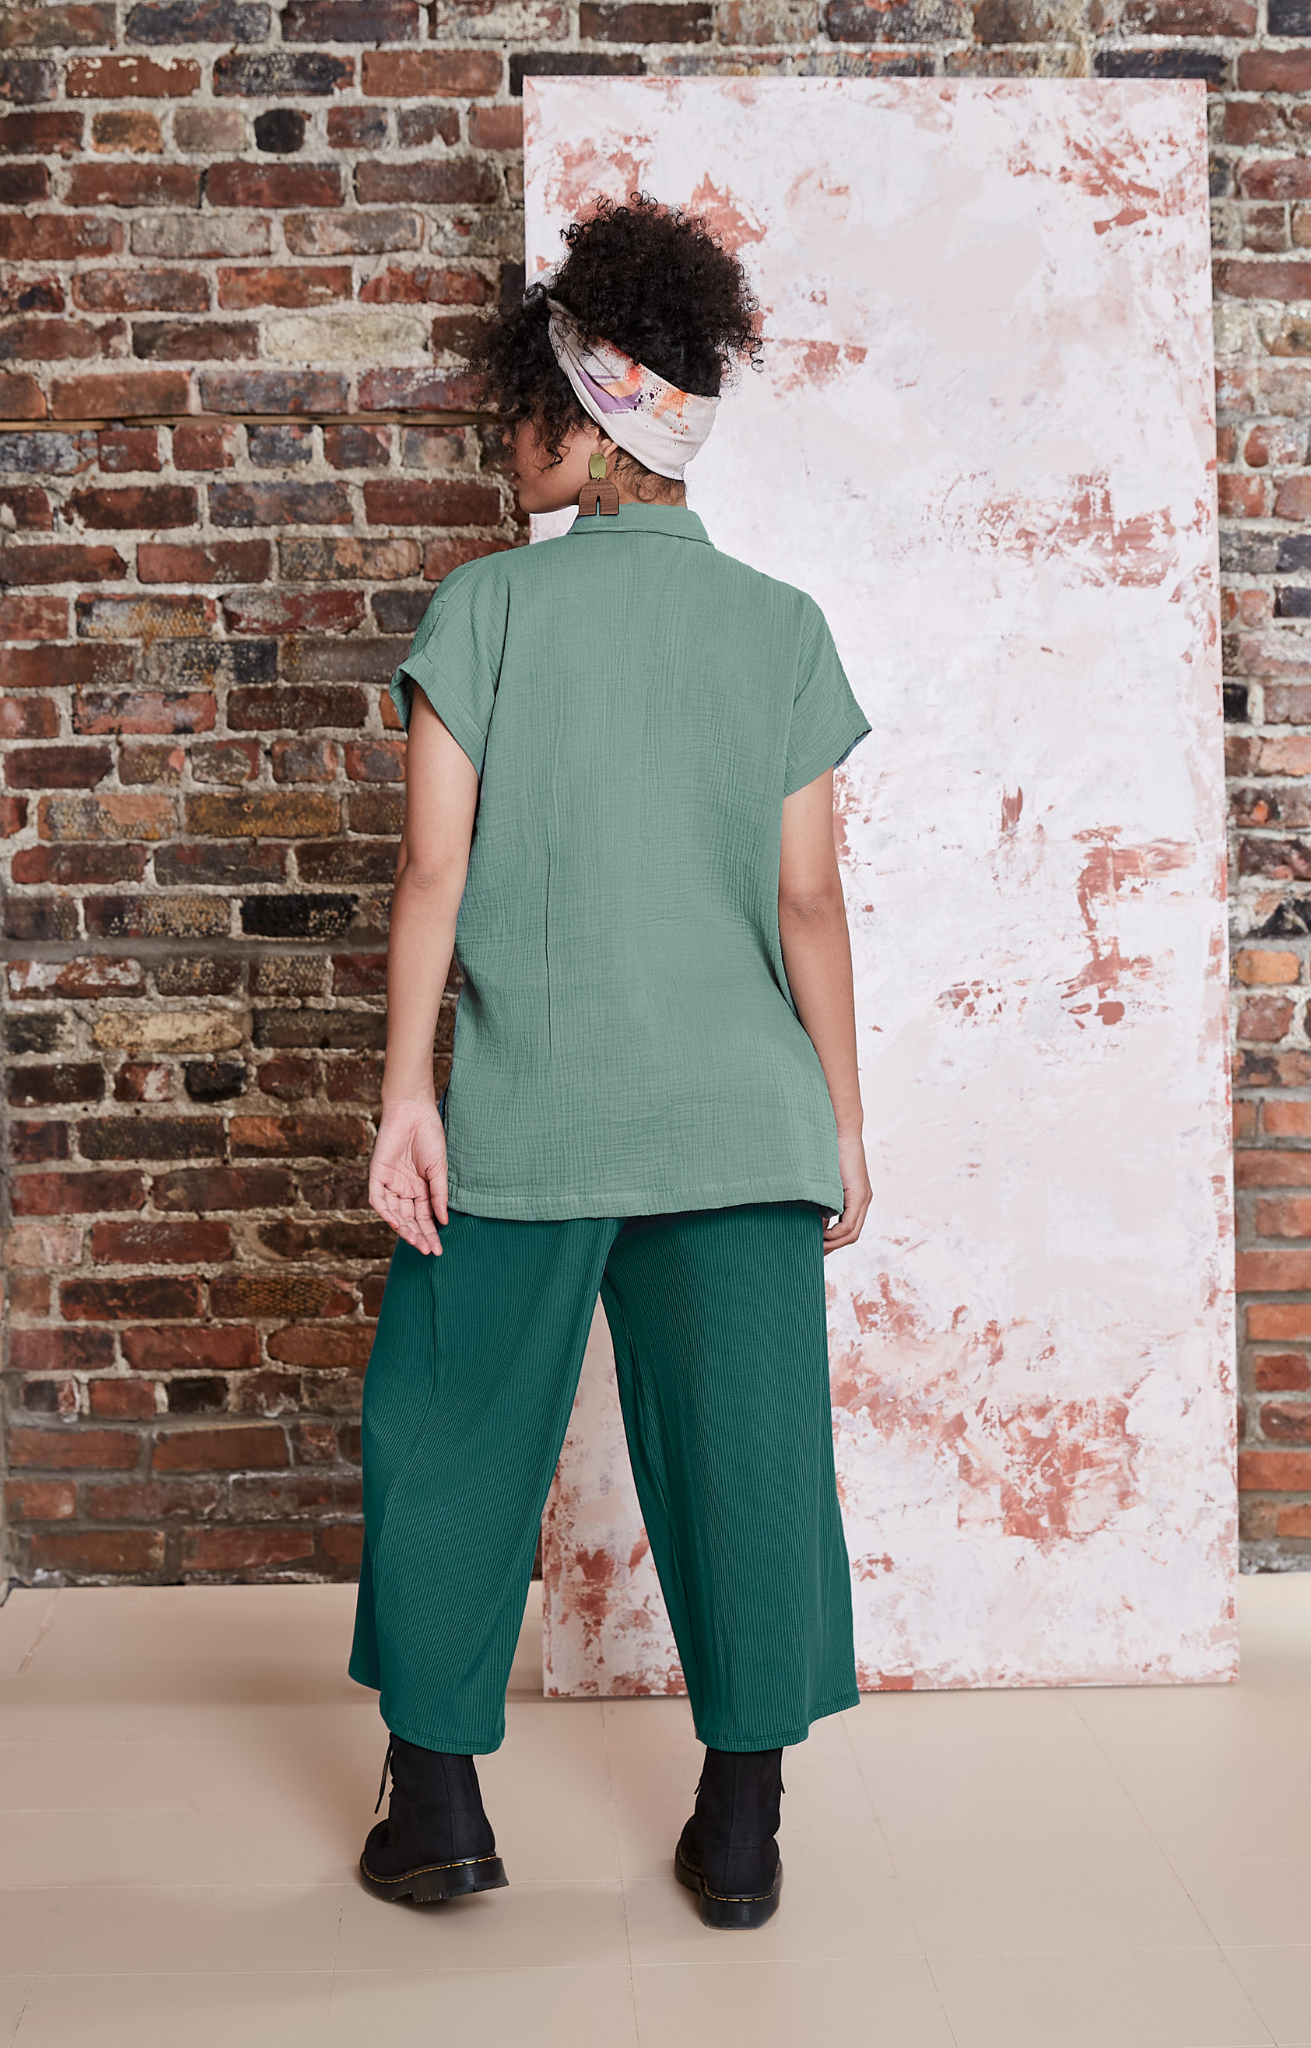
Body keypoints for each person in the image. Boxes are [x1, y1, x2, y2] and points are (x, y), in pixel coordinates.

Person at [349, 194, 873, 1931]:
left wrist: (407, 1097)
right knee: (752, 1465)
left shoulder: (484, 609)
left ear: (588, 422)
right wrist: (840, 1126)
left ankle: (438, 1813)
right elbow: (810, 900)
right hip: (744, 1119)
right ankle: (744, 1830)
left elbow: (433, 873)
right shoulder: (782, 626)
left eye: (523, 411)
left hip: (530, 1111)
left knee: (448, 1432)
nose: (505, 444)